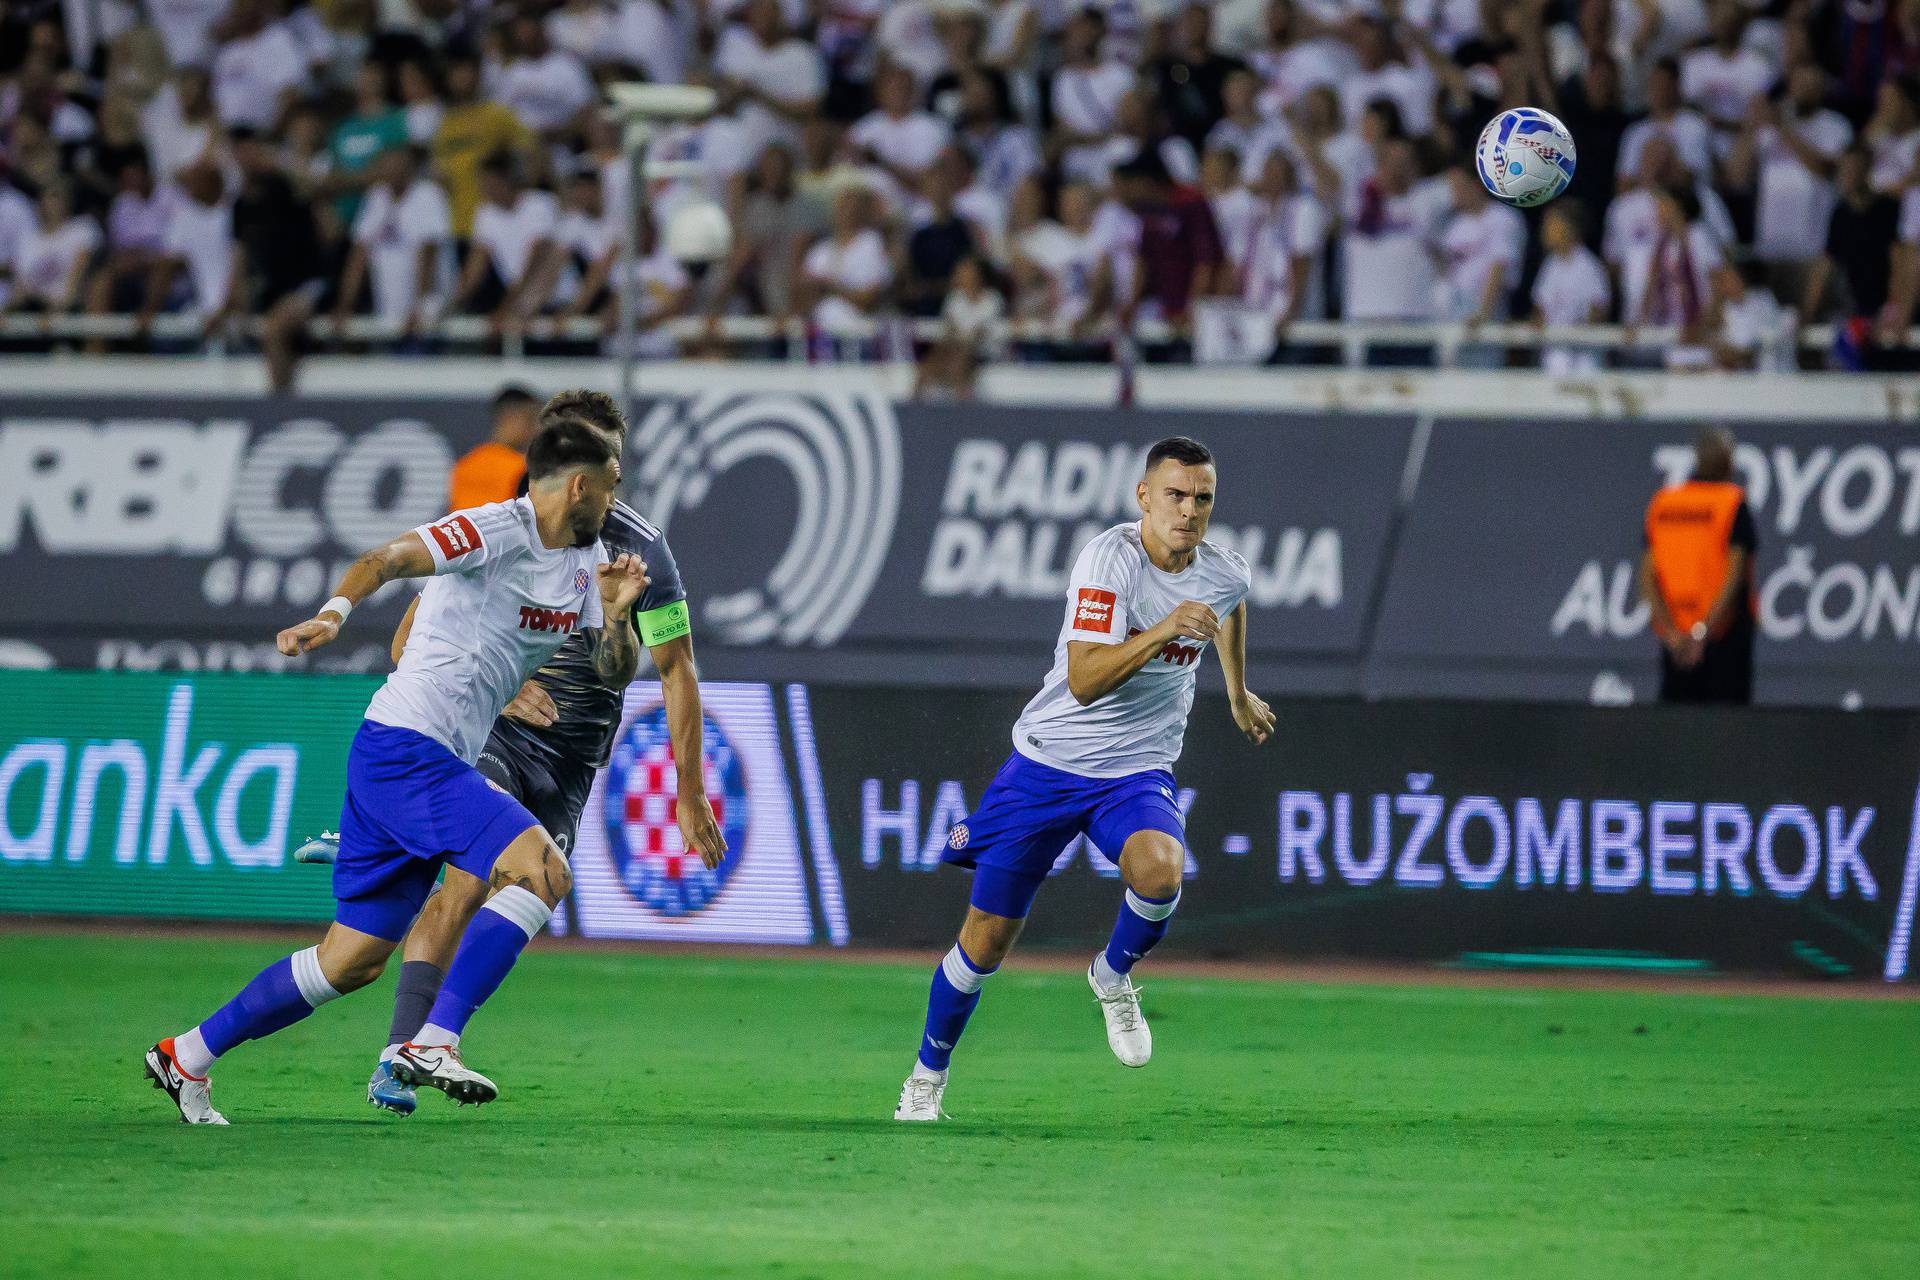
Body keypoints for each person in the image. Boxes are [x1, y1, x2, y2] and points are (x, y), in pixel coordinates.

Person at [144, 419, 646, 1123]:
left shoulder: (581, 564)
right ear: (581, 483)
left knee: (346, 963)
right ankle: (432, 1040)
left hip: (410, 758)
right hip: (408, 749)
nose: (620, 496)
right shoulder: (493, 530)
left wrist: (621, 619)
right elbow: (386, 558)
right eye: (615, 481)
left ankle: (186, 1055)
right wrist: (333, 612)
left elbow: (612, 669)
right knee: (544, 871)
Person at [298, 391, 724, 1116]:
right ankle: (409, 1051)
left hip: (572, 758)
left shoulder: (643, 553)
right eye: (602, 460)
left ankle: (385, 857)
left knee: (523, 889)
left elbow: (674, 668)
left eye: (618, 460)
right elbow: (412, 636)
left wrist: (689, 791)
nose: (612, 475)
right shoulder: (511, 524)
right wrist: (497, 694)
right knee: (467, 884)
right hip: (497, 737)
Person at [894, 436, 1275, 1122]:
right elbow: (1084, 679)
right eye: (1175, 496)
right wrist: (1161, 632)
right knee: (984, 943)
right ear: (1144, 498)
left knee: (1162, 873)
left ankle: (1113, 973)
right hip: (1048, 763)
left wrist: (1239, 691)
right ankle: (927, 1076)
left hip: (1134, 770)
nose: (1188, 511)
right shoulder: (1108, 562)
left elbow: (1231, 604)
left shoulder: (1223, 573)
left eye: (1202, 499)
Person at [1639, 426, 1759, 705]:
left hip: (1676, 640)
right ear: (1728, 461)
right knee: (1727, 733)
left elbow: (1647, 576)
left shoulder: (1664, 503)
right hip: (1722, 638)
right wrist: (1701, 633)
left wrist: (1671, 634)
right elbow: (1735, 574)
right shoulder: (1731, 503)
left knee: (1676, 730)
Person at [451, 386, 540, 508]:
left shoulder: (464, 465)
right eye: (530, 419)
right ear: (509, 418)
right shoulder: (523, 468)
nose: (536, 428)